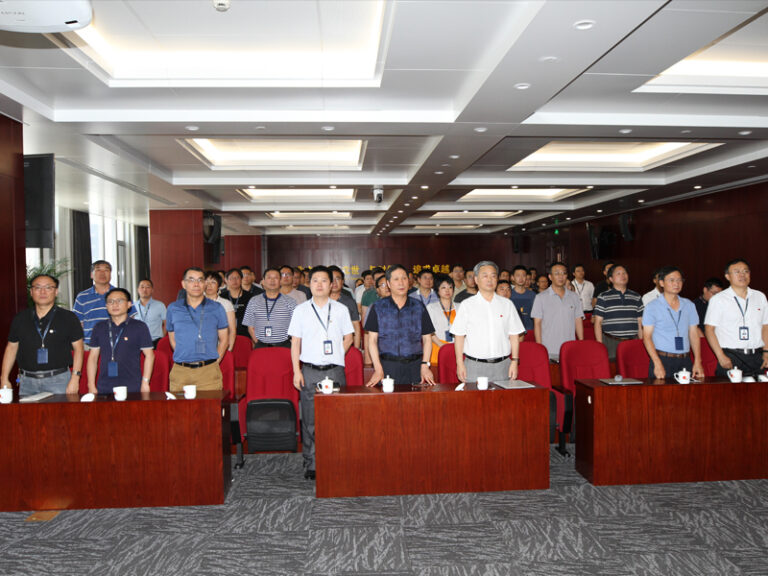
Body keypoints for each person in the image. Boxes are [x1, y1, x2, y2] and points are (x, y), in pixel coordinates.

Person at [288, 266, 354, 480]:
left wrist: (336, 354)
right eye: (315, 280)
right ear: (309, 284)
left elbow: (349, 337)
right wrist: (296, 371)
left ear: (331, 284)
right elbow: (295, 343)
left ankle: (335, 458)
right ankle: (312, 463)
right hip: (309, 371)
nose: (319, 284)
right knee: (310, 419)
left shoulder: (341, 309)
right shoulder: (300, 310)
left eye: (324, 280)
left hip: (334, 371)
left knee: (337, 418)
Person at [2, 274, 84, 397]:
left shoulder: (68, 318)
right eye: (38, 287)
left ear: (56, 292)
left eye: (48, 287)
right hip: (27, 382)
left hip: (59, 380)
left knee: (60, 411)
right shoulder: (20, 318)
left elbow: (79, 349)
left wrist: (75, 378)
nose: (43, 292)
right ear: (31, 292)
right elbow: (11, 348)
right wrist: (4, 378)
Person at [451, 261, 525, 383]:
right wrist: (459, 363)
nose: (490, 279)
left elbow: (514, 335)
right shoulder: (467, 305)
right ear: (476, 279)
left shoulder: (507, 304)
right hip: (474, 366)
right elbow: (459, 336)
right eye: (485, 276)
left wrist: (515, 361)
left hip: (503, 366)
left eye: (493, 276)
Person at [365, 264, 435, 387]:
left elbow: (427, 339)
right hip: (387, 366)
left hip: (415, 366)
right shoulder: (378, 307)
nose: (401, 283)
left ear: (409, 281)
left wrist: (425, 365)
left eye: (404, 278)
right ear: (388, 283)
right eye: (396, 279)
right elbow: (372, 341)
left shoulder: (419, 306)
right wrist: (378, 368)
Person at [165, 267, 229, 392]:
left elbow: (224, 339)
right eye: (191, 280)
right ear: (183, 284)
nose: (196, 284)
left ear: (205, 284)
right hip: (180, 372)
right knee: (178, 405)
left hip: (208, 372)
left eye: (200, 280)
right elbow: (172, 338)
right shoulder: (173, 308)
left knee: (209, 405)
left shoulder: (217, 308)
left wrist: (214, 362)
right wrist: (186, 355)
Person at [704, 258, 768, 378]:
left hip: (756, 356)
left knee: (757, 390)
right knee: (729, 390)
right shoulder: (718, 299)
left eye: (745, 271)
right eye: (737, 271)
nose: (742, 275)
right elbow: (709, 330)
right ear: (727, 276)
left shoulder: (760, 297)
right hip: (731, 355)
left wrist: (766, 352)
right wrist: (720, 356)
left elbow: (765, 326)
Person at [87, 288, 154, 395]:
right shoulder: (99, 327)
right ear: (106, 306)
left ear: (129, 304)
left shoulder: (140, 327)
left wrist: (145, 382)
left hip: (132, 386)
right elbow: (93, 358)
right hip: (104, 386)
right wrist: (91, 384)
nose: (115, 304)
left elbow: (150, 355)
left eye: (120, 301)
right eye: (111, 301)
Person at [642, 266, 703, 380]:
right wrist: (657, 363)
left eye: (679, 280)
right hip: (663, 359)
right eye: (672, 280)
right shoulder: (652, 307)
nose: (676, 283)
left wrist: (698, 361)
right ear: (661, 283)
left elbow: (694, 335)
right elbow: (647, 337)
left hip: (685, 359)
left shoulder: (689, 305)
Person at [531, 262, 585, 361]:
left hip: (569, 348)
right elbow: (537, 324)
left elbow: (578, 320)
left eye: (564, 273)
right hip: (549, 349)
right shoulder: (540, 297)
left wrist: (581, 342)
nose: (561, 276)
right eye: (557, 273)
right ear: (550, 277)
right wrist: (540, 347)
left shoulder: (574, 296)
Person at [73, 260, 134, 345]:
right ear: (91, 275)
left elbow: (131, 319)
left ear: (110, 274)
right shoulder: (82, 297)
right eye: (98, 270)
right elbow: (78, 324)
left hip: (118, 343)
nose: (102, 273)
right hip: (90, 344)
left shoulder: (122, 294)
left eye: (106, 270)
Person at [593, 265, 643, 360]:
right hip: (611, 342)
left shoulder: (636, 297)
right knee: (612, 368)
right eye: (618, 274)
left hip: (632, 341)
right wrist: (600, 345)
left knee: (633, 367)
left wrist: (641, 342)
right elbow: (598, 323)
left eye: (624, 273)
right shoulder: (603, 297)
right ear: (611, 279)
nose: (622, 275)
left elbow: (640, 322)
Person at [243, 267, 297, 349]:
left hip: (284, 346)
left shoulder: (290, 302)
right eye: (269, 278)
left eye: (275, 278)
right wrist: (259, 343)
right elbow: (250, 326)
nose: (272, 281)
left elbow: (296, 327)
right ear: (263, 281)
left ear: (280, 281)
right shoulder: (254, 301)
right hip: (261, 346)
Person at [426, 276, 460, 365]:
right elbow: (429, 331)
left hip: (457, 349)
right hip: (438, 348)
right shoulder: (431, 308)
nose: (447, 290)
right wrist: (443, 346)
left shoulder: (460, 307)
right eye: (443, 287)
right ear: (437, 290)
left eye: (450, 287)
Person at [328, 265, 362, 349]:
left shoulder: (350, 302)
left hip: (346, 345)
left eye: (337, 279)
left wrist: (356, 349)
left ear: (342, 281)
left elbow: (356, 327)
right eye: (331, 279)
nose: (334, 282)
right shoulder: (319, 301)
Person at [203, 271, 236, 351]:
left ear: (219, 285)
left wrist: (229, 350)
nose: (209, 285)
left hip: (221, 347)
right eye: (206, 282)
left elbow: (232, 330)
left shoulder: (226, 304)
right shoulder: (196, 303)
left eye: (213, 282)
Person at [219, 268, 253, 338]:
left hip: (245, 334)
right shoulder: (222, 297)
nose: (234, 280)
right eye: (231, 278)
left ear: (241, 279)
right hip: (226, 334)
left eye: (237, 278)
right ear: (226, 280)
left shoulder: (249, 297)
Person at [134, 279, 166, 348]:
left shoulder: (160, 305)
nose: (144, 290)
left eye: (148, 287)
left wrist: (162, 338)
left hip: (155, 342)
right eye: (142, 287)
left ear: (152, 290)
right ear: (138, 290)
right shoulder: (133, 306)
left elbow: (166, 323)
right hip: (137, 342)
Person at [510, 265, 536, 332]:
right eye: (518, 275)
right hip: (513, 331)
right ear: (512, 277)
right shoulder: (508, 294)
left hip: (530, 330)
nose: (521, 278)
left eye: (523, 275)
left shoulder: (533, 295)